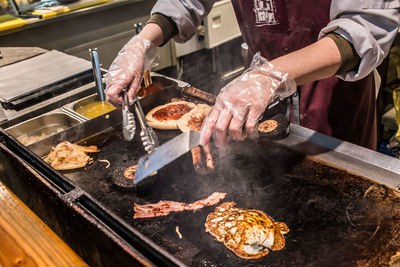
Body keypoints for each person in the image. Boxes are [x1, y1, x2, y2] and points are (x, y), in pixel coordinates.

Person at [105, 0, 400, 150]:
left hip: (333, 91)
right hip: (254, 94)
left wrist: (271, 77)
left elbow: (364, 26)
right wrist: (145, 41)